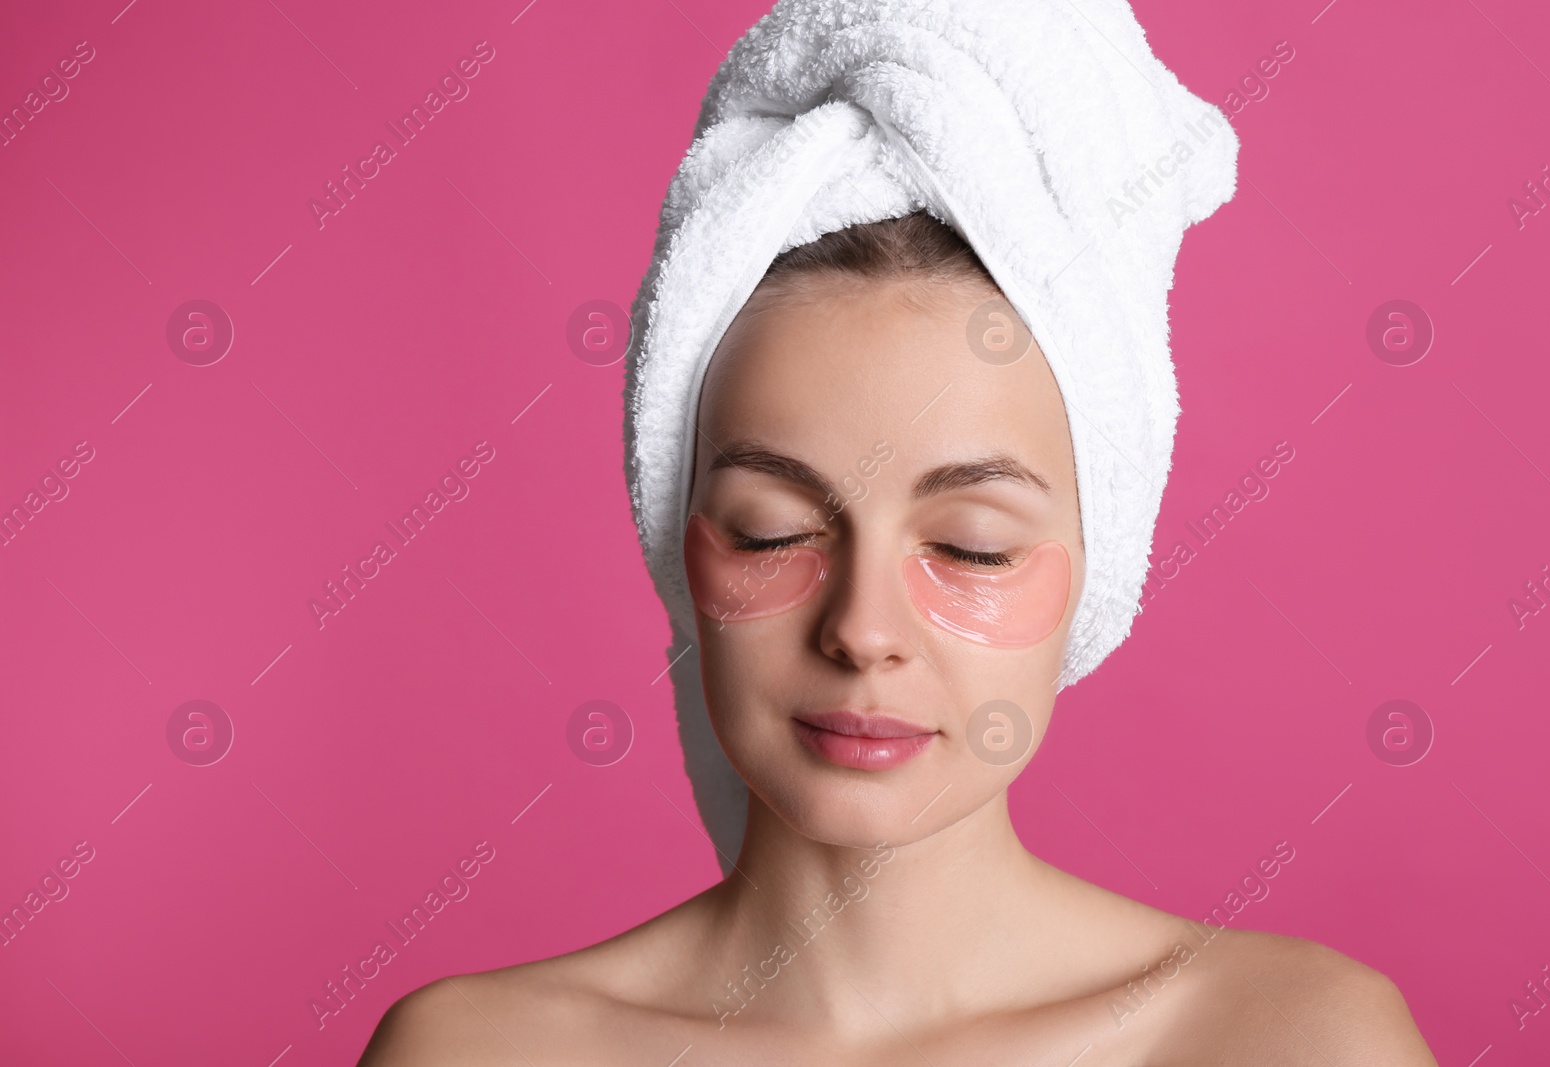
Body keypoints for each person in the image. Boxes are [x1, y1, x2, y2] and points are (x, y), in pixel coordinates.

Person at [357, 211, 1437, 1065]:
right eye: (772, 531)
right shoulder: (477, 1050)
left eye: (969, 547)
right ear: (682, 553)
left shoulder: (1292, 1041)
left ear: (1095, 571)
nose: (863, 630)